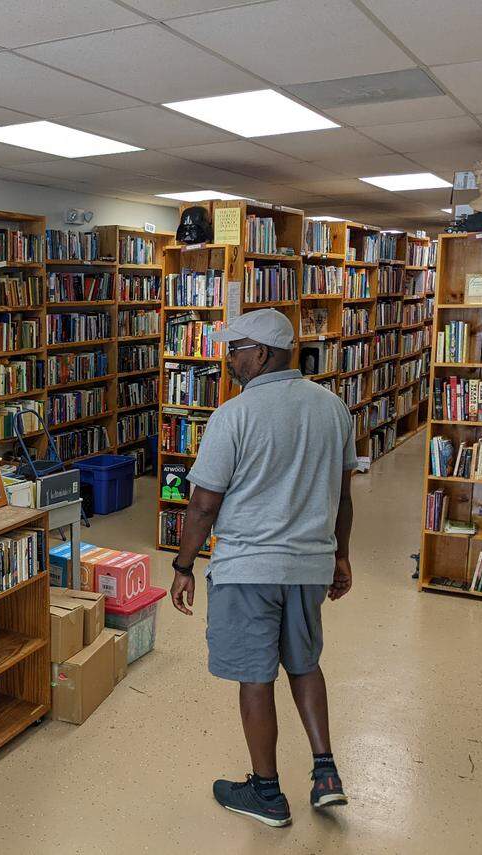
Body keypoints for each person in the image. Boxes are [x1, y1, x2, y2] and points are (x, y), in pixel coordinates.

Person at [168, 308, 355, 829]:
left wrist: (184, 565)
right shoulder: (333, 408)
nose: (229, 360)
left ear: (265, 353)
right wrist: (339, 556)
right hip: (310, 565)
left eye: (237, 349)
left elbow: (204, 503)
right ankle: (325, 772)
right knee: (304, 663)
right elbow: (343, 499)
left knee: (255, 676)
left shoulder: (234, 415)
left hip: (248, 566)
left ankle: (267, 793)